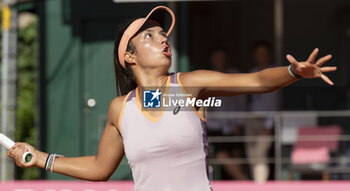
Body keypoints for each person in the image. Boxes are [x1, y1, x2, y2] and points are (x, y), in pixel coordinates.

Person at [7, 6, 336, 191]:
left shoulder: (189, 85)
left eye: (164, 34)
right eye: (149, 36)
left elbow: (255, 81)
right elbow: (99, 168)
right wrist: (41, 158)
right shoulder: (120, 109)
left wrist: (294, 73)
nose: (163, 39)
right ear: (130, 58)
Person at [206, 47, 249, 180]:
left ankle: (240, 185)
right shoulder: (206, 77)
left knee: (237, 154)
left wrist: (239, 123)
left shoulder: (234, 75)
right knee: (221, 155)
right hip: (216, 128)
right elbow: (204, 108)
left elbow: (242, 102)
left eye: (222, 58)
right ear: (212, 60)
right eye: (217, 58)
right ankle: (246, 184)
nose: (220, 61)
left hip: (235, 125)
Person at [244, 41, 279, 182]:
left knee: (260, 154)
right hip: (251, 119)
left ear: (269, 55)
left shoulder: (274, 73)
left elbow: (275, 102)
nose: (261, 56)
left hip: (266, 120)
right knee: (251, 155)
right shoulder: (252, 73)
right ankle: (257, 184)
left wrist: (269, 125)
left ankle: (260, 186)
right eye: (258, 53)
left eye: (264, 53)